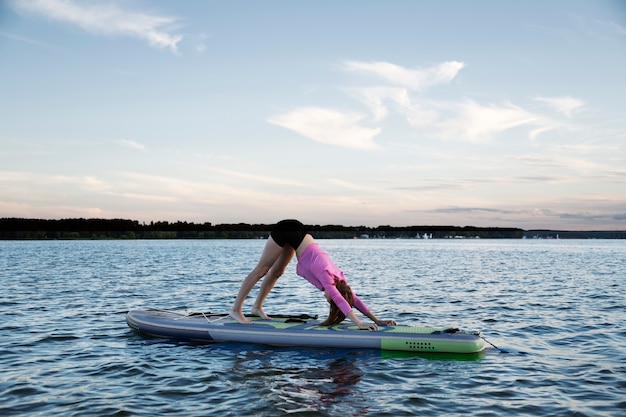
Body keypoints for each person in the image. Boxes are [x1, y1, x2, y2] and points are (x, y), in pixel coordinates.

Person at [230, 219, 396, 330]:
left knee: (277, 272)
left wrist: (377, 320)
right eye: (331, 301)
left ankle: (256, 307)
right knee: (262, 270)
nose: (328, 300)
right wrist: (359, 323)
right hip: (287, 230)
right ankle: (236, 309)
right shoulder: (328, 279)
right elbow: (340, 300)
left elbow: (354, 300)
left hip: (298, 236)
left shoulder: (341, 279)